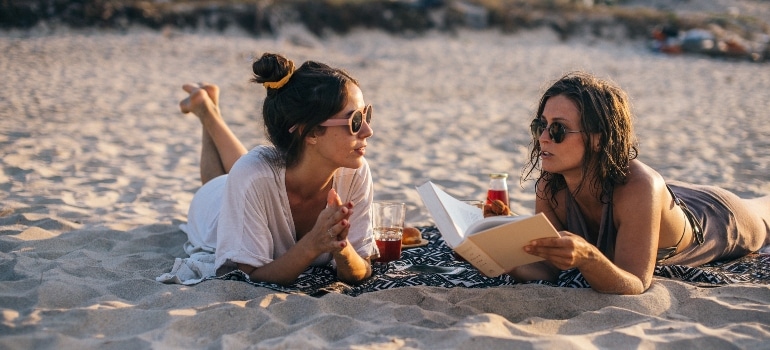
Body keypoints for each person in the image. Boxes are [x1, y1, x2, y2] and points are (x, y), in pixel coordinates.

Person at [513, 71, 770, 295]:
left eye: (558, 130)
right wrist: (489, 252)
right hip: (661, 197)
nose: (543, 138)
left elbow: (635, 282)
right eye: (540, 126)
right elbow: (547, 270)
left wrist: (587, 256)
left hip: (719, 218)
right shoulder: (551, 187)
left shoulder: (638, 188)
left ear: (598, 139)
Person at [174, 53, 377, 286]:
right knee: (223, 180)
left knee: (248, 169)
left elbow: (361, 268)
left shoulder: (355, 172)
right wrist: (313, 243)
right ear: (310, 133)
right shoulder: (252, 177)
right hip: (213, 210)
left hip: (255, 177)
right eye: (355, 121)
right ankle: (207, 112)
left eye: (366, 115)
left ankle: (207, 106)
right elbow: (249, 275)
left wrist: (342, 247)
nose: (368, 130)